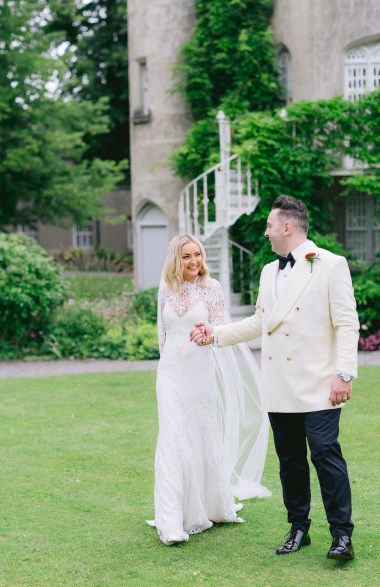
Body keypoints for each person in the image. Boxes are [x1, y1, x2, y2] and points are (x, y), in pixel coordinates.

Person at [190, 196, 359, 561]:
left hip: (320, 383)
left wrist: (343, 374)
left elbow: (347, 323)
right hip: (279, 382)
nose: (265, 232)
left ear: (287, 227)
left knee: (326, 454)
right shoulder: (269, 271)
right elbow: (260, 322)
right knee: (290, 461)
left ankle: (341, 536)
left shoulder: (330, 265)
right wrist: (215, 334)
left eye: (269, 225)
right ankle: (299, 527)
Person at [147, 233, 270, 546]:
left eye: (197, 255)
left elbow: (218, 331)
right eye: (186, 256)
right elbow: (162, 335)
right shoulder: (165, 289)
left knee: (202, 437)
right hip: (171, 374)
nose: (194, 261)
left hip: (200, 374)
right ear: (176, 259)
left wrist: (208, 337)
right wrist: (166, 370)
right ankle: (172, 520)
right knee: (173, 441)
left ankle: (210, 506)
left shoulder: (212, 289)